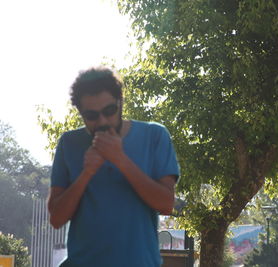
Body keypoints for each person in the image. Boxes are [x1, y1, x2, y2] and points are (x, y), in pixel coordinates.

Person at [48, 67, 180, 266]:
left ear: (121, 102)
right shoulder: (69, 143)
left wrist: (120, 159)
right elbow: (56, 218)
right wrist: (86, 173)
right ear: (81, 113)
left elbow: (166, 204)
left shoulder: (155, 135)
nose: (102, 121)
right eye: (92, 116)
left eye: (109, 111)